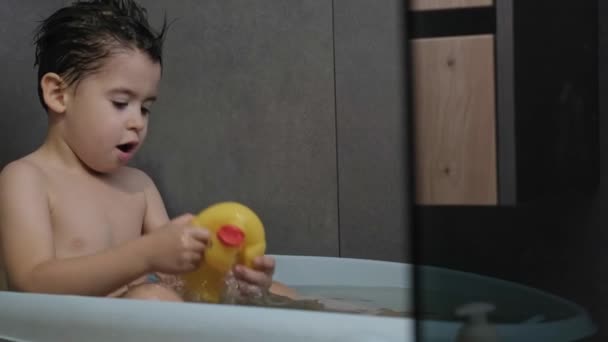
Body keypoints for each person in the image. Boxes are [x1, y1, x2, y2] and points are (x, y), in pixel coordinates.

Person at [0, 0, 292, 302]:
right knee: (150, 297)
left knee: (276, 290)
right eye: (120, 103)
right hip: (64, 331)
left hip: (139, 320)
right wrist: (145, 255)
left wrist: (236, 278)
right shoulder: (27, 179)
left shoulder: (139, 186)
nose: (137, 122)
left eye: (146, 108)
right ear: (59, 94)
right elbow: (31, 283)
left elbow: (178, 275)